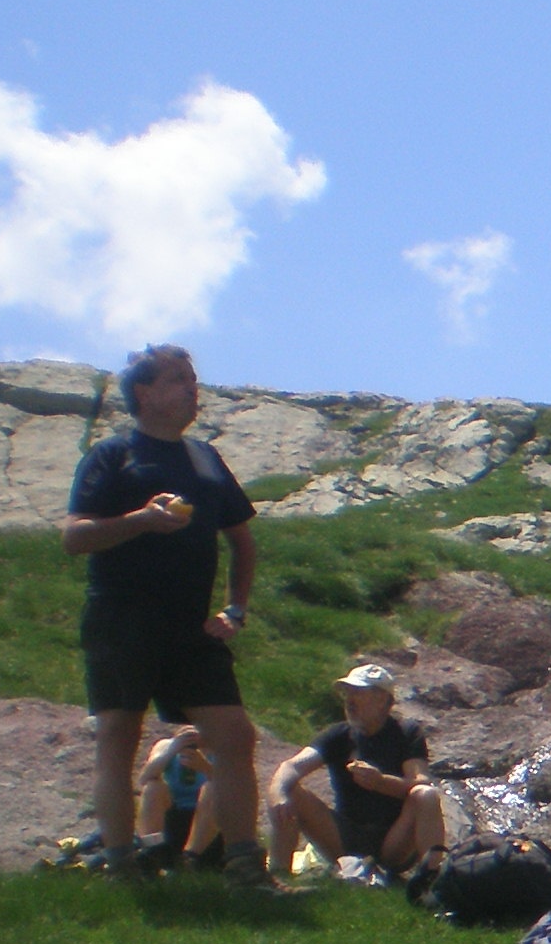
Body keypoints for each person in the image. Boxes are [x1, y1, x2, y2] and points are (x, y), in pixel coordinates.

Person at [60, 344, 275, 886]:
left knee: (234, 735)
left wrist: (235, 609)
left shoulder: (205, 458)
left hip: (191, 626)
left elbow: (242, 541)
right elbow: (74, 537)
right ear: (144, 393)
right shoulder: (113, 455)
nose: (192, 388)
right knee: (118, 735)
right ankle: (121, 865)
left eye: (192, 378)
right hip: (121, 618)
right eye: (178, 379)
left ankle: (245, 867)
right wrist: (140, 520)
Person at [267, 664, 446, 873]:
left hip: (395, 840)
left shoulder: (406, 733)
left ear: (382, 700)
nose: (349, 700)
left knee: (425, 795)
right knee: (287, 788)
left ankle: (432, 878)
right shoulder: (339, 735)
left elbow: (421, 783)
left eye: (358, 693)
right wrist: (279, 793)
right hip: (344, 836)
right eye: (347, 693)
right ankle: (278, 875)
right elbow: (292, 765)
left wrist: (381, 782)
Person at [136, 723, 222, 870]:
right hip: (172, 817)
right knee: (153, 787)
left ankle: (191, 858)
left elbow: (232, 789)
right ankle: (154, 850)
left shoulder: (223, 750)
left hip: (209, 826)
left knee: (214, 788)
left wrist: (205, 767)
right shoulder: (166, 746)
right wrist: (172, 750)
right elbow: (144, 779)